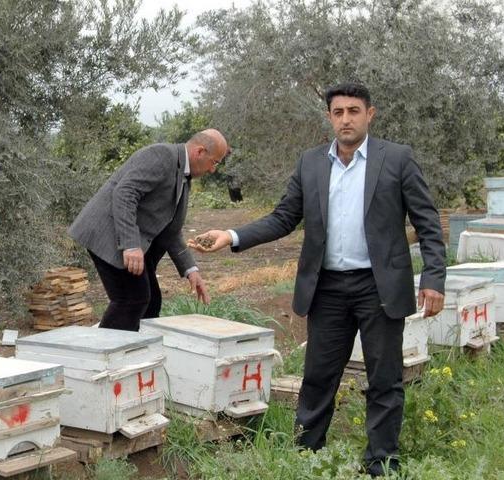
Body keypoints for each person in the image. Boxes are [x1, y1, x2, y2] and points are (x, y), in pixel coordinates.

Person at [190, 83, 445, 476]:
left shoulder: (396, 159)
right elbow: (283, 218)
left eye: (354, 111)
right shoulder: (311, 163)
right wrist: (232, 236)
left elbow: (428, 223)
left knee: (384, 378)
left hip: (380, 286)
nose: (346, 119)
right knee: (318, 377)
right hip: (327, 288)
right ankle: (307, 456)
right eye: (338, 112)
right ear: (329, 117)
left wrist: (433, 277)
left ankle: (381, 463)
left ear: (369, 115)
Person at [69, 129, 230, 331]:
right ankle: (104, 357)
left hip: (127, 236)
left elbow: (170, 229)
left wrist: (191, 270)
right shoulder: (162, 156)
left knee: (151, 301)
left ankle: (139, 353)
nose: (213, 169)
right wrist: (130, 245)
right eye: (214, 162)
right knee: (131, 300)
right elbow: (125, 193)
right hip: (107, 231)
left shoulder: (183, 172)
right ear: (200, 152)